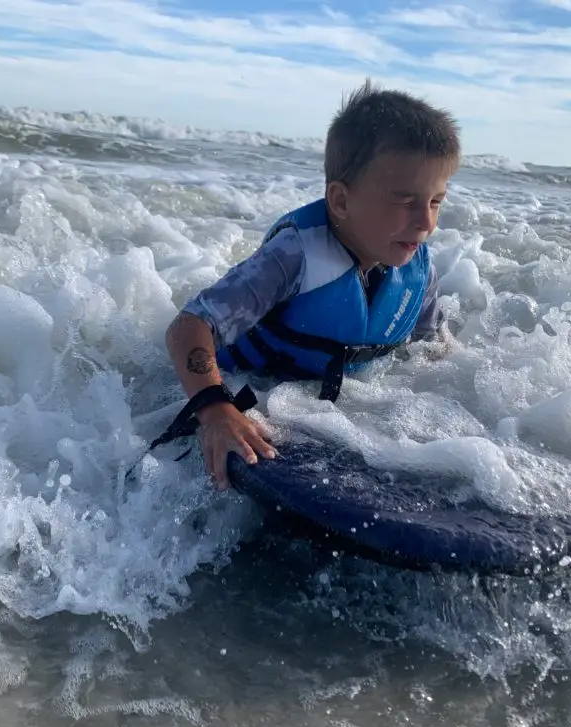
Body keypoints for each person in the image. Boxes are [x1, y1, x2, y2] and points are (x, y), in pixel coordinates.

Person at [163, 79, 462, 489]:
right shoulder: (294, 257)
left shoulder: (416, 266)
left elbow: (429, 346)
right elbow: (189, 326)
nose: (426, 222)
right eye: (404, 201)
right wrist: (215, 410)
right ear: (340, 201)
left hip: (322, 405)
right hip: (246, 385)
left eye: (435, 201)